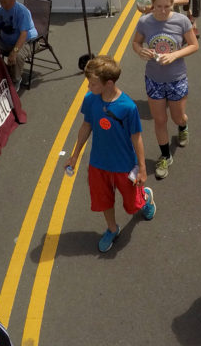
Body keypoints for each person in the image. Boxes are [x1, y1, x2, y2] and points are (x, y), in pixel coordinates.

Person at [65, 56, 156, 253]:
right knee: (103, 200)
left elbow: (137, 138)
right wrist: (75, 155)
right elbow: (86, 125)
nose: (89, 87)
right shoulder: (90, 100)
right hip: (98, 164)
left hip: (124, 165)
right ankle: (112, 229)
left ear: (109, 83)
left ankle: (145, 198)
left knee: (132, 205)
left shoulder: (128, 107)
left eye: (93, 83)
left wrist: (142, 168)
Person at [132, 0, 199, 180]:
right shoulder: (145, 21)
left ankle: (183, 126)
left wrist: (175, 54)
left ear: (172, 4)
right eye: (158, 6)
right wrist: (140, 51)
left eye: (167, 6)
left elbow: (194, 45)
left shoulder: (182, 21)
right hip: (154, 79)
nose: (162, 11)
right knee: (160, 120)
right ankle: (165, 156)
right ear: (153, 4)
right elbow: (136, 42)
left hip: (176, 78)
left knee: (178, 117)